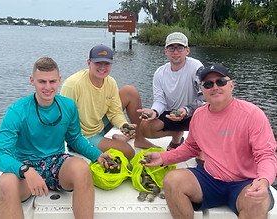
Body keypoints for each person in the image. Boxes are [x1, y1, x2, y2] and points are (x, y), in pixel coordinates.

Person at [143, 63, 277, 218]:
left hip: (245, 182)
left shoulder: (252, 114)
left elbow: (266, 155)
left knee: (257, 202)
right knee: (172, 181)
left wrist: (263, 180)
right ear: (202, 90)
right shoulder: (199, 116)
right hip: (210, 178)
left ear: (231, 85)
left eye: (220, 82)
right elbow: (191, 147)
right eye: (208, 84)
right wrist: (163, 158)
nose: (215, 87)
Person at [0, 57, 114, 219]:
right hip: (26, 165)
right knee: (6, 183)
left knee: (81, 168)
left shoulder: (68, 106)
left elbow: (75, 139)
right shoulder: (17, 111)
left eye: (52, 81)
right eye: (42, 82)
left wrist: (96, 154)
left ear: (59, 81)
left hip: (56, 162)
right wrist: (25, 170)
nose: (48, 87)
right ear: (32, 81)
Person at [60, 44, 154, 159]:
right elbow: (63, 120)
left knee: (130, 92)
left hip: (98, 125)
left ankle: (138, 138)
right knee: (128, 152)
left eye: (107, 63)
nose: (102, 67)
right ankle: (114, 141)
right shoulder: (73, 85)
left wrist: (123, 125)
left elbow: (115, 112)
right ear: (89, 63)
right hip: (83, 136)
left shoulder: (111, 82)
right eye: (98, 63)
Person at [137, 32, 205, 150]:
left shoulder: (196, 67)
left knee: (210, 114)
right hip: (170, 114)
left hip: (194, 114)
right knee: (145, 127)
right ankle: (176, 137)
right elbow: (160, 100)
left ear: (187, 50)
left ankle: (199, 147)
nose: (176, 52)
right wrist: (154, 112)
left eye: (180, 48)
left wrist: (186, 110)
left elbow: (204, 97)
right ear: (166, 51)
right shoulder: (159, 73)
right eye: (172, 48)